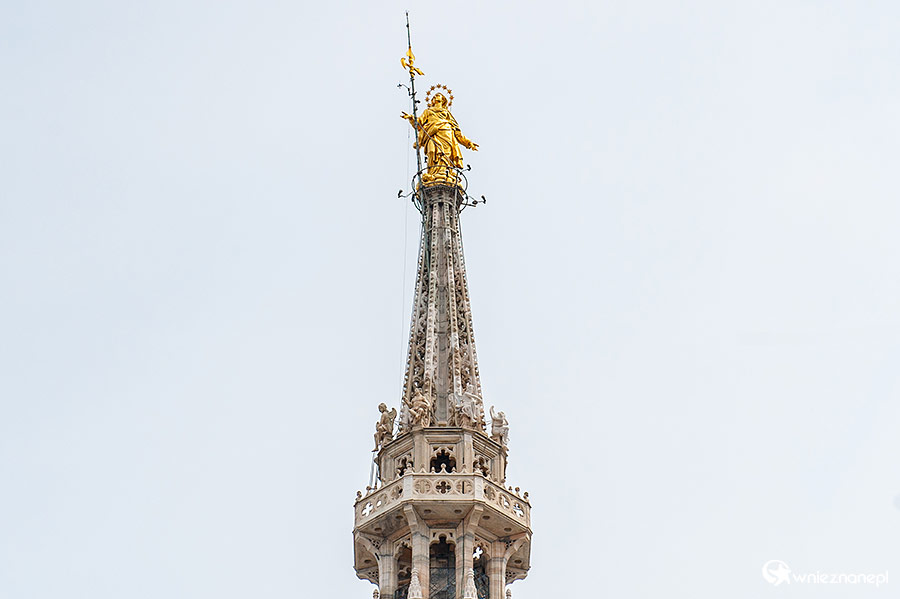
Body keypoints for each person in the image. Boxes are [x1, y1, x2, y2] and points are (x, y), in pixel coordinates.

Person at [402, 92, 478, 185]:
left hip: (446, 133)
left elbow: (457, 131)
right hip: (432, 133)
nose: (435, 96)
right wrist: (411, 118)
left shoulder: (446, 113)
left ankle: (445, 173)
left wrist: (468, 143)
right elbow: (419, 124)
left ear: (443, 100)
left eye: (438, 95)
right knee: (432, 152)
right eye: (434, 96)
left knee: (446, 155)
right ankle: (433, 173)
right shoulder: (428, 111)